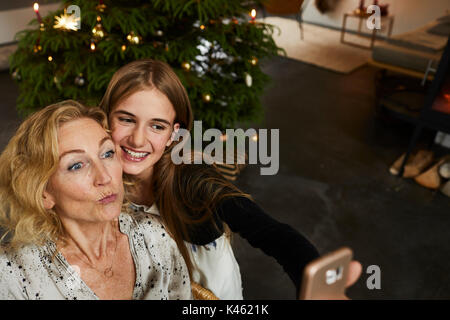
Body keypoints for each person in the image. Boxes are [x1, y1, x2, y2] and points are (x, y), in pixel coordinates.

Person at [99, 59, 362, 299]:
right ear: (106, 119)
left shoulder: (191, 177)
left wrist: (313, 281)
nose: (137, 139)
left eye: (157, 126)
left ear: (172, 135)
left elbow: (269, 231)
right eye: (126, 119)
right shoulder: (98, 179)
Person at [0, 100, 192, 300]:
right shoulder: (13, 275)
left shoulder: (154, 235)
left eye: (107, 153)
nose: (105, 178)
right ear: (43, 193)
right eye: (76, 165)